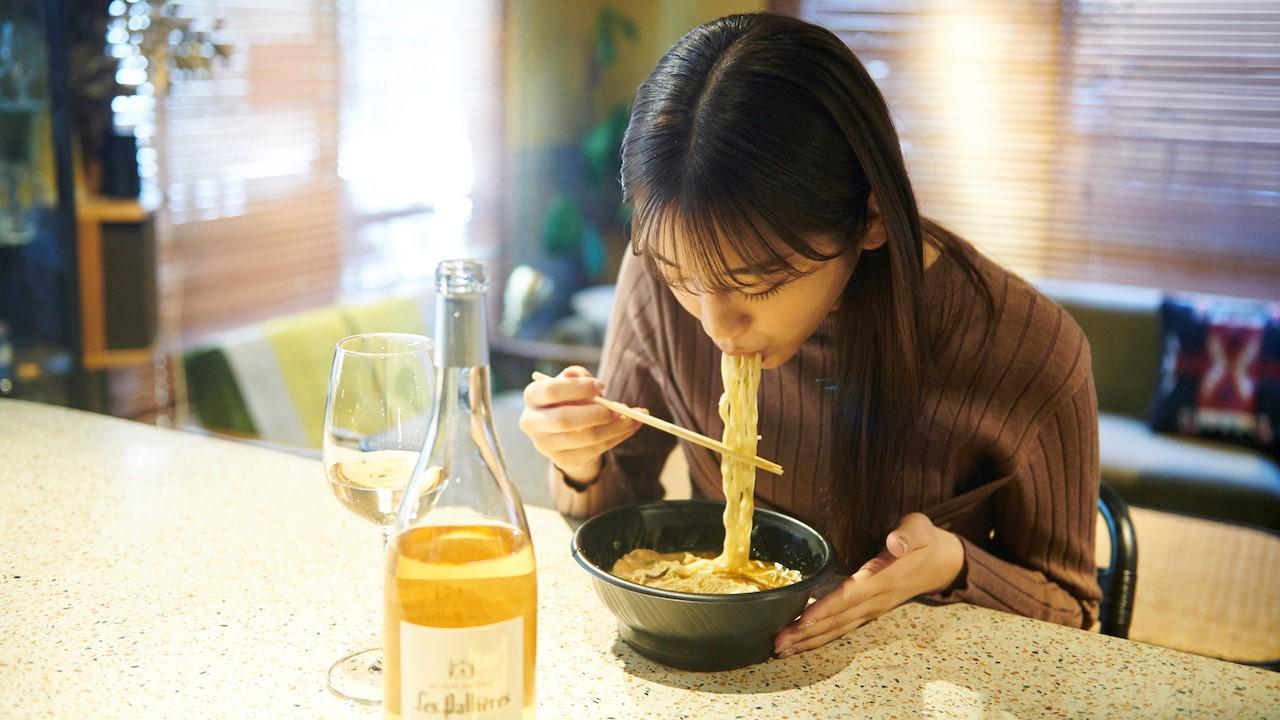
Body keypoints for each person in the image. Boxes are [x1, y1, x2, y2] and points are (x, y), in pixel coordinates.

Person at [518, 12, 1101, 658]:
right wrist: (578, 459)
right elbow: (614, 509)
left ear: (871, 220)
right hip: (720, 662)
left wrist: (954, 565)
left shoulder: (1029, 347)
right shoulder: (655, 273)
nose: (715, 325)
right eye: (681, 276)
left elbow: (1073, 613)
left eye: (758, 284)